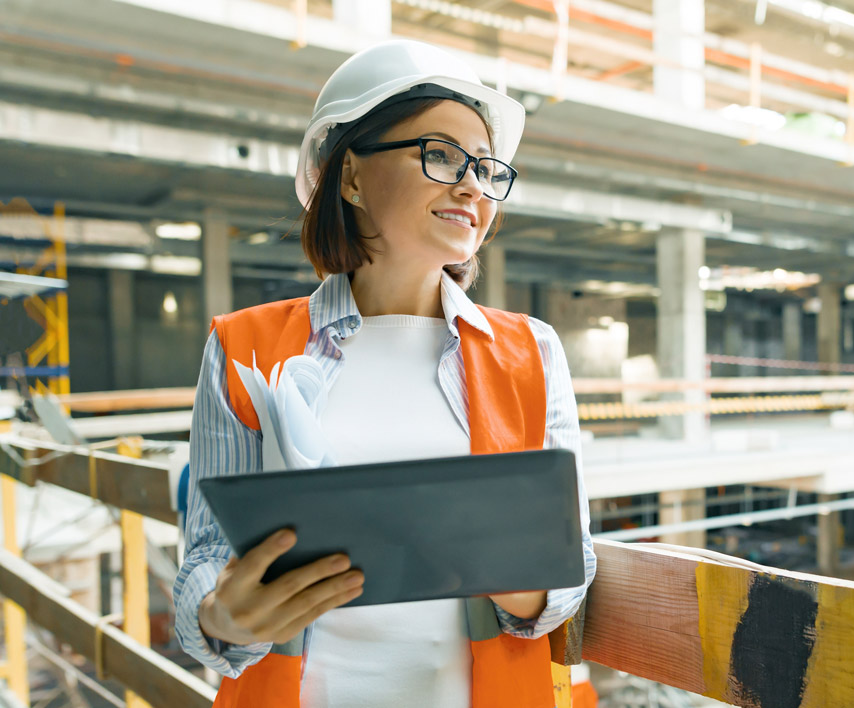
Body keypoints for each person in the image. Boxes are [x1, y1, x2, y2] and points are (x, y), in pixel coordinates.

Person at [172, 39, 597, 708]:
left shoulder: (532, 351)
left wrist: (520, 576)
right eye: (440, 155)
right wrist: (221, 619)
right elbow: (203, 561)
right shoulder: (244, 347)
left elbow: (572, 567)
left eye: (486, 169)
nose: (471, 185)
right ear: (351, 176)